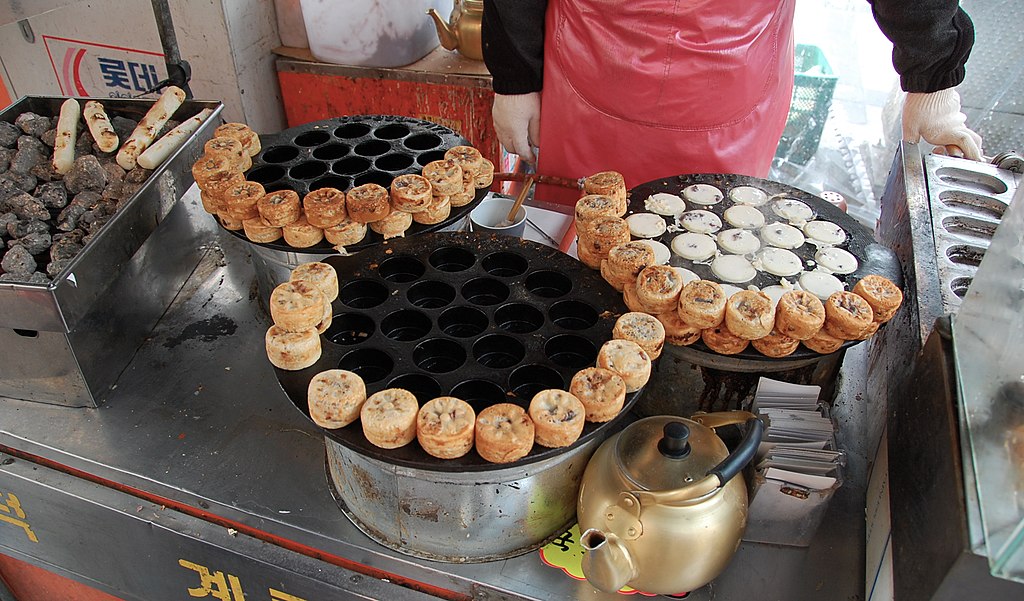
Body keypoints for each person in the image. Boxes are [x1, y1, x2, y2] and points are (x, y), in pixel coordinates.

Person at [481, 0, 984, 204]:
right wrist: (515, 73)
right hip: (590, 51)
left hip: (732, 57)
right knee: (581, 234)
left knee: (711, 235)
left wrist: (932, 76)